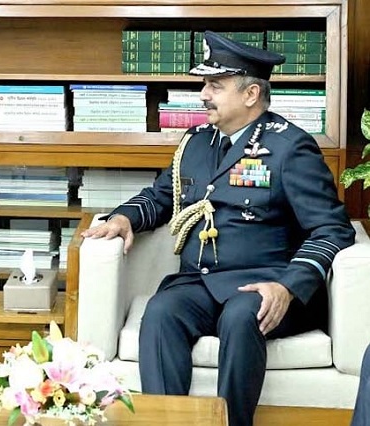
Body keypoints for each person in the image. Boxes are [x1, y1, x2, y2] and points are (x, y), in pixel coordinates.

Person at [82, 31, 356, 426]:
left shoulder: (290, 147)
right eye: (205, 84)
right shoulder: (195, 142)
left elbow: (332, 229)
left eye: (215, 85)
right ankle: (167, 422)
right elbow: (162, 196)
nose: (203, 95)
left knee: (242, 317)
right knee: (160, 312)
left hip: (265, 284)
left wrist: (288, 286)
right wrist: (124, 218)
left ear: (250, 95)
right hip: (201, 282)